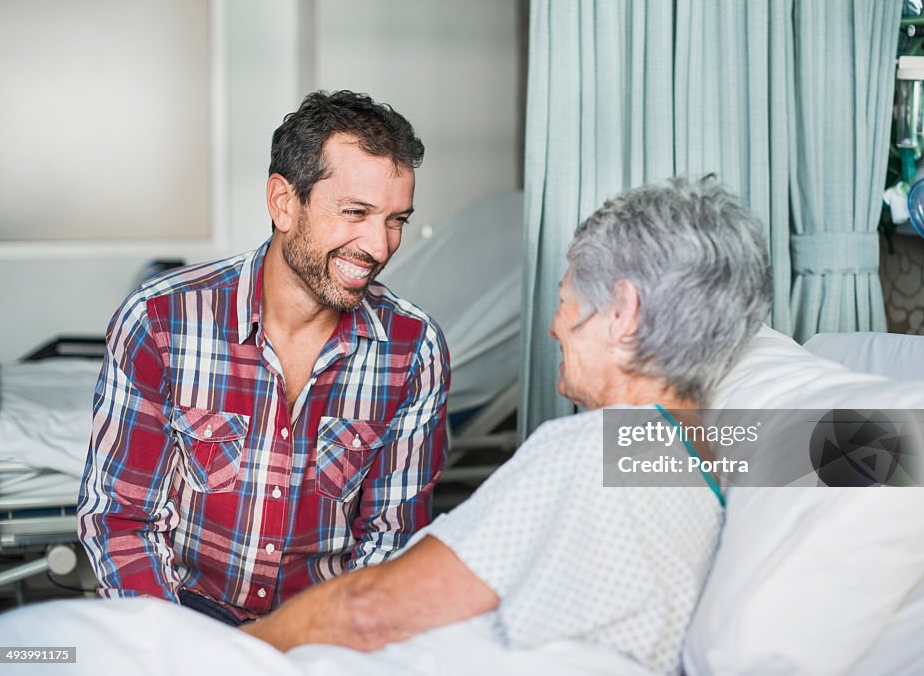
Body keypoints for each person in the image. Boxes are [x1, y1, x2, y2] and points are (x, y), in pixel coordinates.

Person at [241, 175, 772, 674]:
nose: (554, 326)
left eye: (566, 302)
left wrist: (234, 651)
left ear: (623, 314)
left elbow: (368, 609)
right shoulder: (706, 455)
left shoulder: (589, 450)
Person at [77, 90, 450, 625]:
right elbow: (120, 522)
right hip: (185, 616)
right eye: (355, 213)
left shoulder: (414, 349)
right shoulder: (161, 320)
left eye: (396, 220)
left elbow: (391, 539)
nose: (379, 245)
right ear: (283, 202)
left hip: (321, 626)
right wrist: (174, 652)